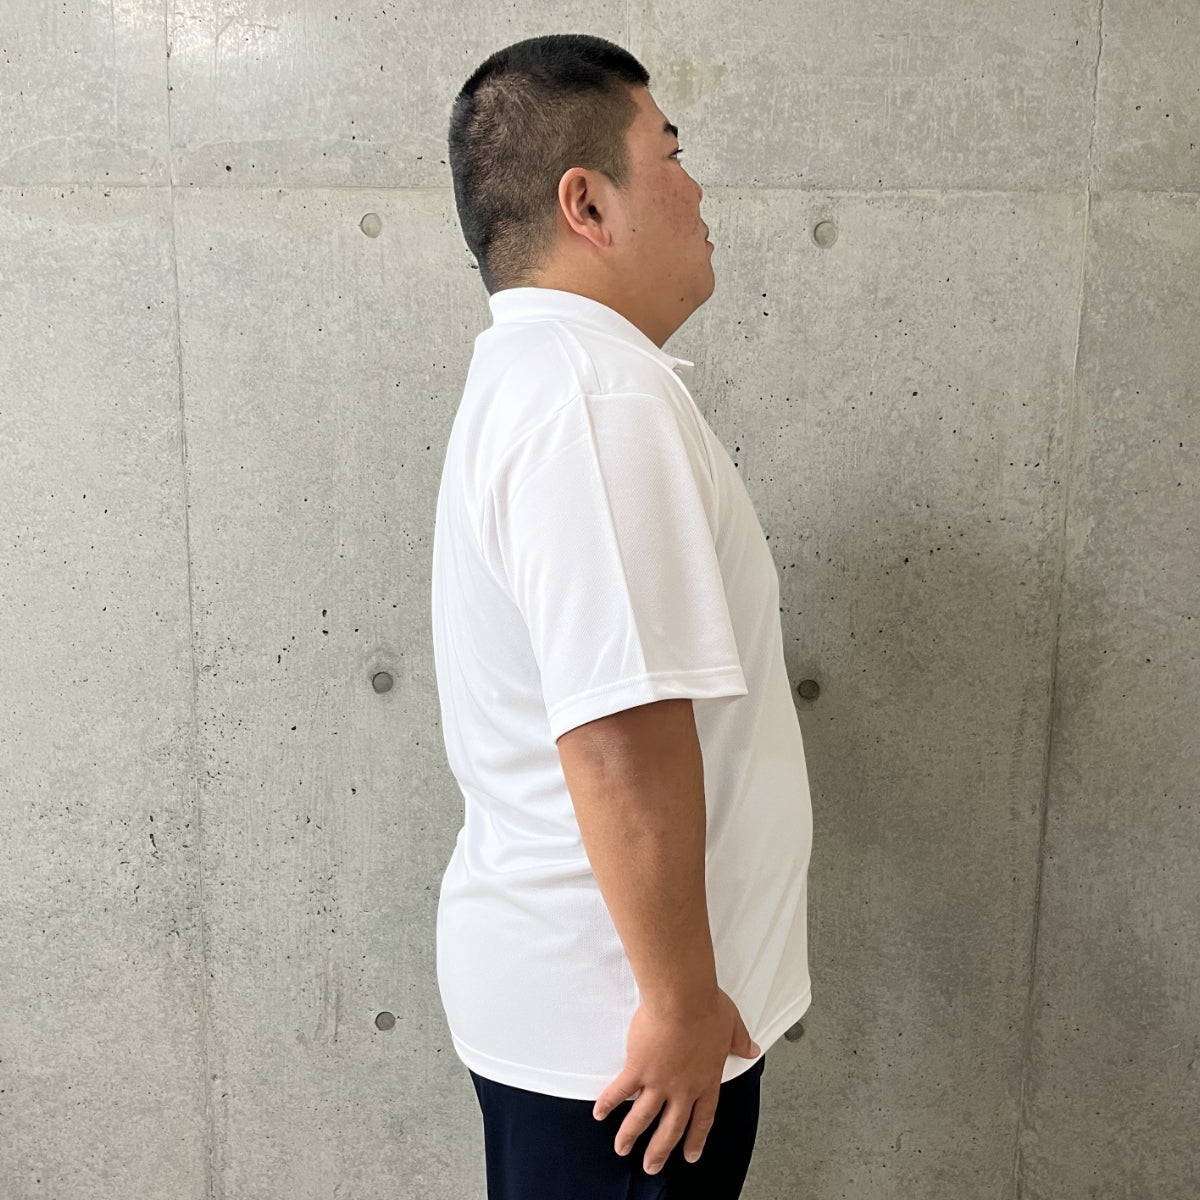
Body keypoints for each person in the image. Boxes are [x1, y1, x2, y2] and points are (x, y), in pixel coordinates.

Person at [432, 33, 814, 1200]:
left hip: (609, 1035)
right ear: (587, 203)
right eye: (673, 152)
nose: (696, 188)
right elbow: (616, 736)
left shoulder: (552, 380)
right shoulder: (592, 401)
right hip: (630, 1058)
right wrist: (682, 1004)